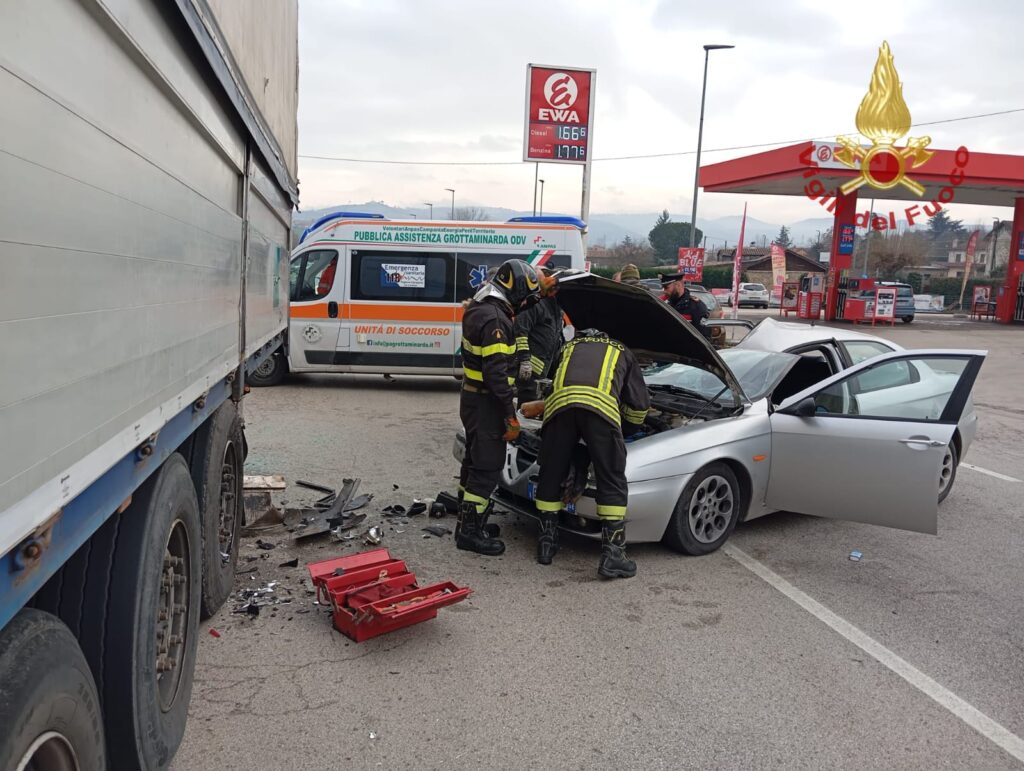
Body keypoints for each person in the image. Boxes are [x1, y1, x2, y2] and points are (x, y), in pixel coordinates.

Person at [532, 329, 650, 578]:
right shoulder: (621, 351)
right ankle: (613, 555)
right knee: (611, 477)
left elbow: (549, 383)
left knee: (551, 472)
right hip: (600, 412)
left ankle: (546, 544)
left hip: (559, 409)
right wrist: (624, 430)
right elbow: (639, 407)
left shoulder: (568, 348)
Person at [457, 259, 542, 556]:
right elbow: (495, 376)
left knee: (473, 459)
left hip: (473, 398)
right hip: (487, 403)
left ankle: (469, 521)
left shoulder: (481, 308)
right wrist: (510, 415)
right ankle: (469, 532)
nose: (523, 304)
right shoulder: (495, 319)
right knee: (488, 466)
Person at [513, 278, 563, 402]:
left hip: (546, 368)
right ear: (552, 290)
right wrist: (524, 361)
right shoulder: (535, 304)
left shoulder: (556, 308)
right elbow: (520, 332)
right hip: (530, 370)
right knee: (527, 404)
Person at [660, 273, 711, 340]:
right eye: (663, 288)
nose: (664, 291)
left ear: (677, 285)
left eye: (666, 287)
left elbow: (704, 336)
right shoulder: (664, 304)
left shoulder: (696, 306)